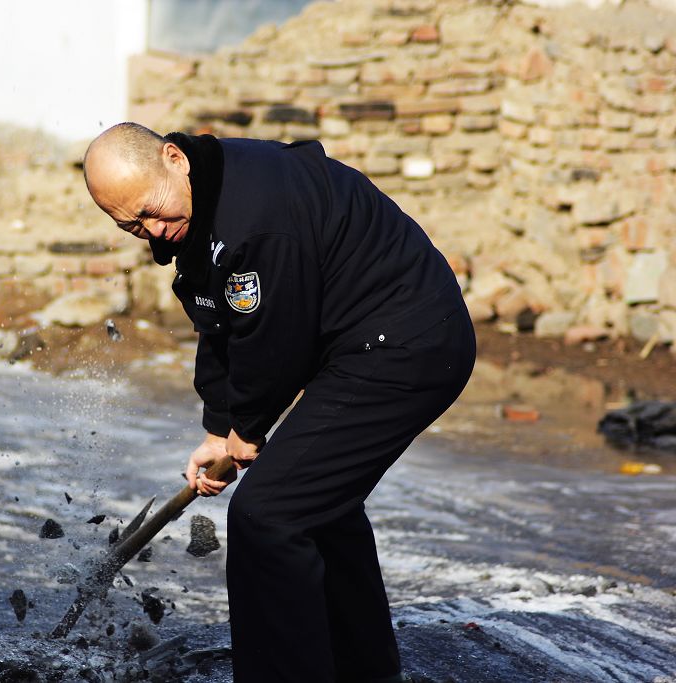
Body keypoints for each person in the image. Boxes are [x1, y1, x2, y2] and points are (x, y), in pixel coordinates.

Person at [83, 122, 475, 683]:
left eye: (151, 209)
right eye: (132, 225)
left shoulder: (256, 218)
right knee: (317, 503)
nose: (153, 231)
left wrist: (246, 429)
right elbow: (220, 324)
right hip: (359, 343)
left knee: (268, 515)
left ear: (174, 158)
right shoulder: (200, 201)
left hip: (408, 341)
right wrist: (218, 429)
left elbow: (276, 342)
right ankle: (363, 669)